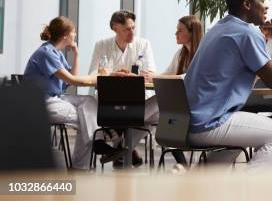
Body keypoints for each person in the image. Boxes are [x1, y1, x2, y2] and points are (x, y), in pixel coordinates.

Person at [184, 0, 272, 170]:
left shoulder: (218, 28)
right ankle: (249, 191)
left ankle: (199, 188)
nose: (266, 5)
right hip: (211, 122)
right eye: (262, 0)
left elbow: (241, 68)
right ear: (247, 4)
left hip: (188, 122)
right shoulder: (246, 33)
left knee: (235, 143)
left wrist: (264, 40)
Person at [24, 16, 103, 169]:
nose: (76, 35)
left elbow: (69, 81)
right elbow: (75, 81)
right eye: (73, 32)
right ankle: (83, 164)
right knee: (86, 117)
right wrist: (96, 78)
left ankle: (98, 143)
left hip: (56, 98)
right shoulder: (46, 53)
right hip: (41, 103)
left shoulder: (56, 53)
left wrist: (76, 54)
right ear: (65, 35)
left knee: (89, 101)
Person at [88, 10, 158, 168]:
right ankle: (125, 149)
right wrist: (112, 74)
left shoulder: (143, 44)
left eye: (133, 28)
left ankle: (120, 149)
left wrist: (135, 76)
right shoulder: (102, 45)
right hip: (108, 99)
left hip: (136, 97)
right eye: (127, 29)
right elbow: (93, 73)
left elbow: (152, 73)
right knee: (139, 122)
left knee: (144, 116)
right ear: (115, 28)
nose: (132, 32)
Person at [159, 15, 203, 170]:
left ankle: (121, 133)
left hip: (197, 104)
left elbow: (190, 77)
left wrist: (170, 77)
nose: (176, 34)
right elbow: (167, 74)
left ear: (192, 32)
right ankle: (182, 163)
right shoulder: (180, 54)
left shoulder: (203, 54)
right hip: (180, 103)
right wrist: (150, 75)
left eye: (180, 30)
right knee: (163, 113)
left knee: (165, 113)